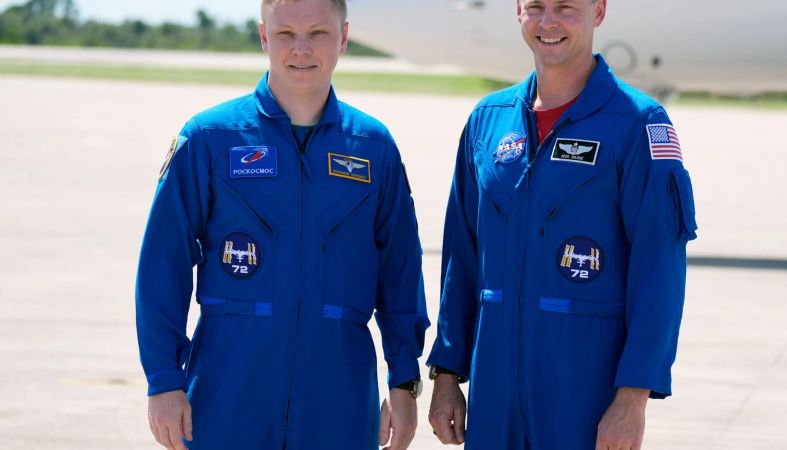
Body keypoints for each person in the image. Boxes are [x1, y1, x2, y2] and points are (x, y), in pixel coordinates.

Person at [135, 1, 428, 449]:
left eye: (319, 34)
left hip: (338, 395)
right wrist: (163, 379)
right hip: (227, 389)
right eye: (286, 34)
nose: (302, 50)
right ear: (264, 36)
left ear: (344, 37)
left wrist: (404, 380)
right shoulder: (210, 139)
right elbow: (163, 264)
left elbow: (400, 274)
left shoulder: (373, 148)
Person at [426, 0, 698, 449]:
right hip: (495, 391)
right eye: (536, 6)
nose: (548, 21)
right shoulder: (486, 122)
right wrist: (447, 374)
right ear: (518, 11)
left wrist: (633, 399)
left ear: (599, 10)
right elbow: (462, 258)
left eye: (566, 7)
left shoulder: (638, 124)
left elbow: (659, 271)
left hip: (584, 393)